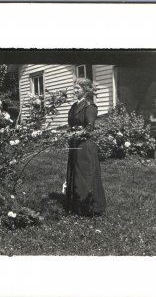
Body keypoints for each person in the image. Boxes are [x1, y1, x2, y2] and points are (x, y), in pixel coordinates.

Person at [65, 78, 106, 216]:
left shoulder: (89, 106)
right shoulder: (75, 105)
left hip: (85, 145)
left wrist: (74, 134)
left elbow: (89, 128)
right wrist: (68, 134)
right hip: (75, 143)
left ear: (85, 90)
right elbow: (72, 124)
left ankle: (88, 208)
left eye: (77, 88)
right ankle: (75, 204)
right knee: (75, 172)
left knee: (85, 174)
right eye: (74, 88)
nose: (74, 90)